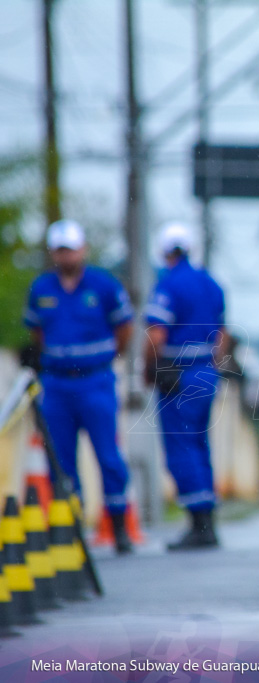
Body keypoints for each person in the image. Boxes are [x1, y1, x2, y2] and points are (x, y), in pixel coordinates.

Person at [23, 219, 135, 554]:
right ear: (52, 252)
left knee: (108, 456)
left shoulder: (103, 285)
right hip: (57, 385)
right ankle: (70, 529)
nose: (66, 255)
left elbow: (124, 329)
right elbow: (36, 332)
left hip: (95, 382)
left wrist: (106, 358)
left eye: (70, 249)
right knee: (60, 461)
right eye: (60, 249)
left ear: (82, 249)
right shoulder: (42, 289)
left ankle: (118, 526)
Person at [144, 222, 226, 550]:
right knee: (199, 444)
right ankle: (209, 519)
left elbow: (155, 334)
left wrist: (149, 368)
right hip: (206, 371)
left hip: (178, 375)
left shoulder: (168, 285)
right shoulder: (211, 284)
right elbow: (223, 336)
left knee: (180, 447)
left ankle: (198, 521)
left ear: (165, 252)